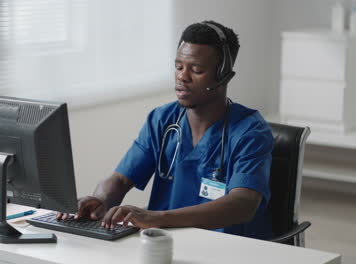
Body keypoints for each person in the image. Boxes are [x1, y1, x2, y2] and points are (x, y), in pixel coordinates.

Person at [57, 20, 273, 239]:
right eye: (178, 67)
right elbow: (120, 180)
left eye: (196, 69)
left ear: (223, 74)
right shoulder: (162, 119)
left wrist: (157, 218)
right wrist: (100, 200)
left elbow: (243, 203)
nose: (182, 76)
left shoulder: (250, 132)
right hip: (161, 242)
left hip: (226, 248)